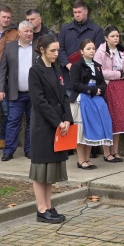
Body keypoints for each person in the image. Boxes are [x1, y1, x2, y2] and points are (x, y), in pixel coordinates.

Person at [28, 34, 73, 224]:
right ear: (42, 50)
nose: (56, 54)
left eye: (57, 50)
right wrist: (57, 122)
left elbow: (63, 96)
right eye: (53, 50)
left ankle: (48, 205)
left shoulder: (55, 69)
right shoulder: (35, 71)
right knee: (41, 169)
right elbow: (40, 101)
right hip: (43, 126)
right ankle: (41, 209)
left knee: (50, 170)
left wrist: (68, 120)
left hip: (59, 125)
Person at [58, 0, 104, 158]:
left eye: (79, 12)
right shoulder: (66, 28)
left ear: (86, 12)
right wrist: (67, 65)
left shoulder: (96, 30)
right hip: (69, 76)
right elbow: (61, 49)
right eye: (74, 12)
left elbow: (97, 53)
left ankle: (89, 147)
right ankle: (71, 145)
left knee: (87, 115)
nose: (77, 15)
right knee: (71, 113)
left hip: (87, 79)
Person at [94, 26, 124, 160]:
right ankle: (106, 152)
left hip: (123, 88)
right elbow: (99, 72)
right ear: (106, 38)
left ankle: (115, 151)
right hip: (109, 87)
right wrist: (118, 74)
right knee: (108, 119)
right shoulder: (100, 52)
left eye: (117, 36)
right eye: (112, 36)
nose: (116, 38)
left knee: (119, 120)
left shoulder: (122, 51)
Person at [70, 39, 114, 169]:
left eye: (93, 48)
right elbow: (75, 84)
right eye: (88, 49)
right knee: (82, 130)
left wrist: (100, 89)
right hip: (82, 100)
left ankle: (87, 159)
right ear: (82, 51)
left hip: (95, 99)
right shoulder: (77, 66)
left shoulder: (97, 65)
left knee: (92, 128)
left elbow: (102, 82)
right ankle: (81, 159)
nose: (91, 51)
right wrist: (92, 90)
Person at [0, 20, 37, 161]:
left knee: (32, 122)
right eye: (26, 31)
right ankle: (9, 151)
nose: (29, 34)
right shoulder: (10, 48)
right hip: (15, 93)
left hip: (34, 94)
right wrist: (1, 88)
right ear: (19, 33)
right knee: (13, 121)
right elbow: (3, 70)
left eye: (31, 31)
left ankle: (29, 150)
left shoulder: (38, 47)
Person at [0, 5, 18, 149]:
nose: (6, 20)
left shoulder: (15, 33)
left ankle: (4, 139)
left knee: (6, 111)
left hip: (5, 77)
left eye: (8, 17)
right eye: (3, 17)